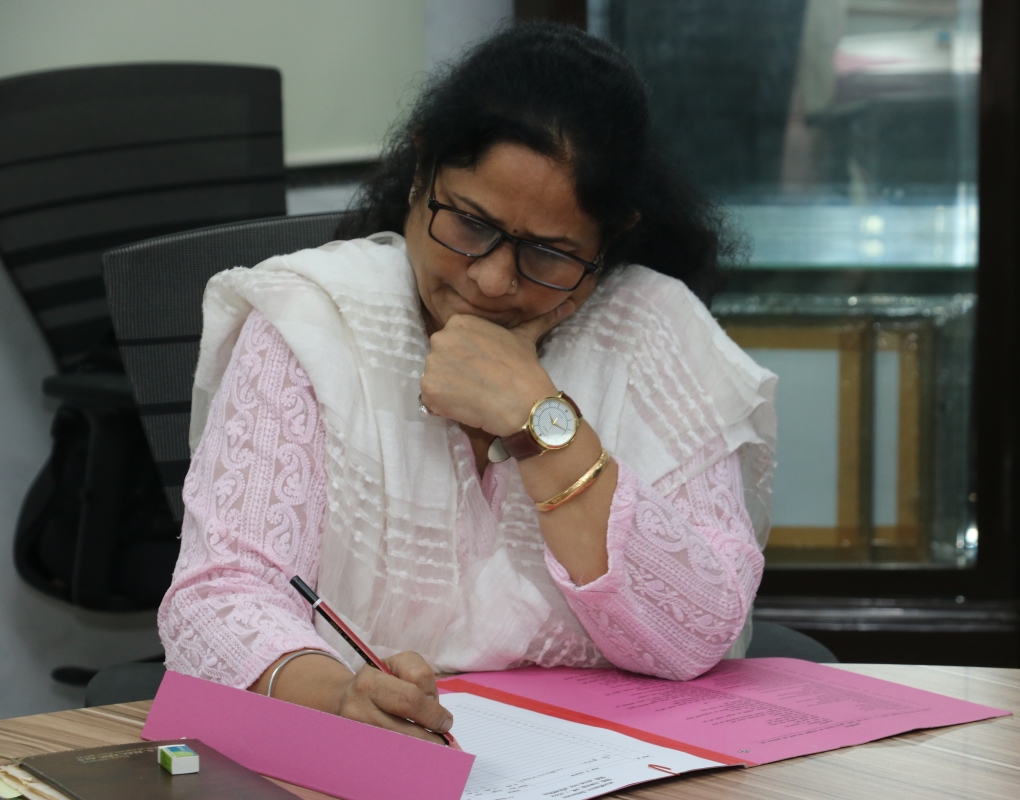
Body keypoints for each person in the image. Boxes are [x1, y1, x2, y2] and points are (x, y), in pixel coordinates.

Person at [159, 22, 776, 744]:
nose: (490, 279)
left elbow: (701, 630)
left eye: (548, 253)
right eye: (470, 224)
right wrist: (338, 698)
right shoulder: (311, 321)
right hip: (379, 763)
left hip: (610, 765)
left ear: (608, 241)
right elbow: (217, 600)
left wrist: (540, 419)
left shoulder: (655, 328)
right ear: (423, 172)